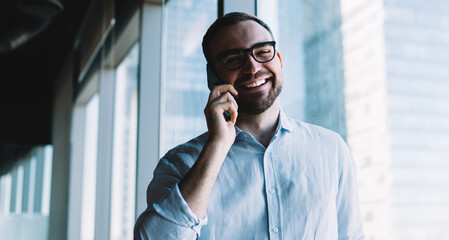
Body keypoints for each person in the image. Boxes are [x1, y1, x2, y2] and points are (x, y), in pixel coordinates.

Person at [134, 12, 365, 240]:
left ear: (279, 61)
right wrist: (218, 145)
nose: (253, 67)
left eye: (263, 52)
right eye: (234, 59)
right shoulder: (180, 163)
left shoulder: (331, 148)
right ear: (212, 78)